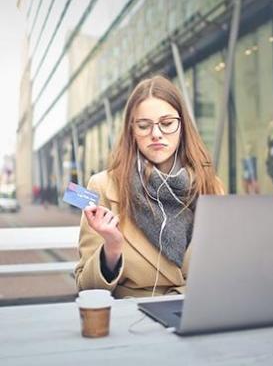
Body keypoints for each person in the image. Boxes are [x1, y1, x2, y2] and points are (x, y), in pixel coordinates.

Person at [75, 75, 224, 298]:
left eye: (167, 123)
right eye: (144, 126)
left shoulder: (211, 185)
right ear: (131, 131)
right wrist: (112, 249)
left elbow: (222, 265)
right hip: (134, 319)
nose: (156, 134)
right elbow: (85, 287)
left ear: (182, 126)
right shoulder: (101, 185)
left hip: (198, 310)